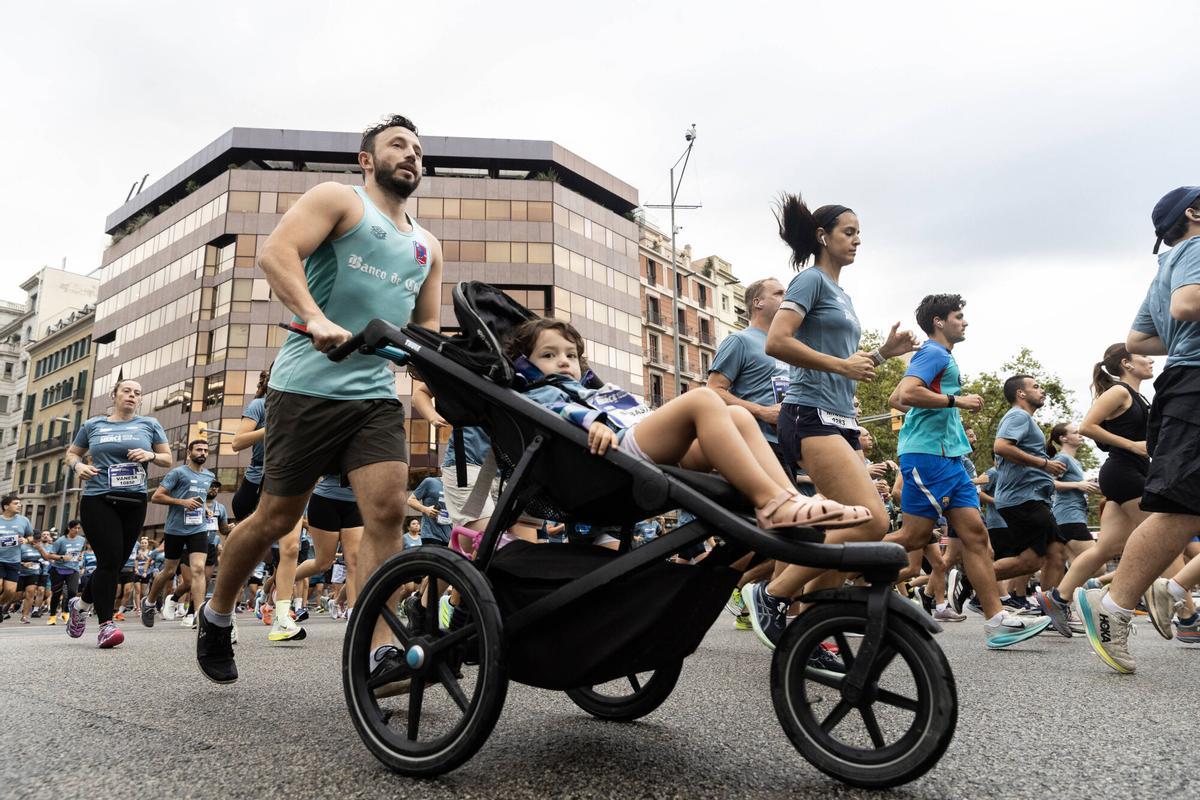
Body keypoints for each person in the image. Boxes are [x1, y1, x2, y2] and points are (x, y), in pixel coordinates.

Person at [197, 114, 442, 684]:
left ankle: (379, 649)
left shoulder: (427, 246)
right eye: (398, 145)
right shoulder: (340, 200)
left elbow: (426, 328)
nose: (411, 154)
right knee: (275, 517)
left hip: (374, 398)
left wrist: (432, 379)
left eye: (417, 149)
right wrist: (314, 317)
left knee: (387, 513)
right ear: (367, 160)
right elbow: (276, 253)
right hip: (307, 388)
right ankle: (217, 614)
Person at [744, 194, 919, 649]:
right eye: (849, 232)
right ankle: (771, 593)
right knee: (870, 521)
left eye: (860, 233)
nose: (857, 240)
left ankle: (812, 634)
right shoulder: (809, 281)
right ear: (823, 236)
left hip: (840, 419)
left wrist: (883, 353)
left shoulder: (842, 294)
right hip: (809, 415)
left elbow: (845, 364)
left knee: (844, 526)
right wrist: (842, 365)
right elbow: (777, 342)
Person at [508, 318, 865, 532]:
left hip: (647, 448)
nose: (564, 362)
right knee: (703, 398)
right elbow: (559, 412)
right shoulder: (540, 390)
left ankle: (788, 497)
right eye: (549, 355)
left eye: (570, 355)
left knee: (739, 416)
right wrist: (593, 424)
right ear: (525, 364)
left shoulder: (589, 387)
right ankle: (770, 502)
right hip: (612, 459)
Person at [1076, 186, 1200, 673]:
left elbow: (1139, 338)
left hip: (1187, 381)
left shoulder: (1167, 263)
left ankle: (1170, 587)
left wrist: (1181, 339)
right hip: (1193, 386)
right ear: (1193, 213)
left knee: (1185, 506)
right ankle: (1114, 605)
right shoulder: (1196, 248)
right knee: (1181, 507)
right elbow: (1186, 306)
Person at [886, 295, 1047, 645]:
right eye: (958, 316)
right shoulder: (933, 353)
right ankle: (840, 567)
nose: (965, 322)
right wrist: (956, 401)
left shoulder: (939, 356)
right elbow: (906, 394)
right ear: (939, 322)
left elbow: (897, 399)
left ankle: (997, 620)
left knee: (976, 537)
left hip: (952, 458)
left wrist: (939, 408)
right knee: (913, 538)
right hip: (928, 456)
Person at [1035, 345, 1152, 635]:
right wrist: (1133, 446)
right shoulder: (1119, 391)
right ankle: (1187, 615)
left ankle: (1058, 598)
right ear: (1126, 363)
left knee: (1106, 548)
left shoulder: (1139, 396)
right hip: (1124, 471)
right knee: (1161, 537)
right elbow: (1087, 426)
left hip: (1130, 472)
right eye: (1144, 356)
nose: (1151, 360)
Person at [66, 379, 172, 647]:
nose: (132, 395)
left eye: (137, 393)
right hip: (98, 498)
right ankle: (106, 625)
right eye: (126, 391)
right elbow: (72, 454)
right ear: (113, 395)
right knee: (110, 560)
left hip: (134, 501)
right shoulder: (93, 425)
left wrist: (150, 455)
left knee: (113, 563)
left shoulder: (149, 424)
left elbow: (167, 459)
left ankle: (80, 605)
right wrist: (79, 467)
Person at [706, 277, 791, 469]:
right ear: (757, 302)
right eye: (779, 293)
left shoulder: (787, 347)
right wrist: (763, 412)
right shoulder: (739, 340)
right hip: (755, 442)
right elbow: (712, 391)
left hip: (789, 445)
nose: (786, 298)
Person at [143, 441, 216, 630]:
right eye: (199, 450)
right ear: (189, 452)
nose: (203, 453)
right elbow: (156, 496)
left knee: (198, 569)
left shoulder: (209, 476)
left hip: (198, 528)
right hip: (175, 529)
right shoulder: (177, 473)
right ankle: (149, 602)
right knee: (169, 571)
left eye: (206, 450)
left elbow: (200, 498)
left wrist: (205, 509)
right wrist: (182, 502)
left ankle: (199, 616)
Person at [294, 476, 363, 617]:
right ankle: (283, 581)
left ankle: (352, 614)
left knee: (353, 562)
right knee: (323, 563)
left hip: (356, 502)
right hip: (326, 499)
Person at [1046, 423, 1100, 562]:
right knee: (1098, 566)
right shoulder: (1062, 459)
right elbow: (1047, 483)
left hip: (1073, 518)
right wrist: (1078, 484)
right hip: (1069, 517)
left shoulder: (1075, 462)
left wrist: (1088, 484)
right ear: (1063, 438)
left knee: (1077, 565)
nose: (1080, 435)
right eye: (1075, 432)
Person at [44, 521, 87, 624]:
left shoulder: (82, 540)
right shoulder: (60, 541)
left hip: (73, 569)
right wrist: (62, 557)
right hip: (58, 570)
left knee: (72, 592)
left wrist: (80, 557)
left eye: (78, 528)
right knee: (57, 593)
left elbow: (81, 551)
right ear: (69, 528)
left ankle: (66, 613)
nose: (77, 530)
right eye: (75, 528)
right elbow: (50, 555)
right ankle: (52, 616)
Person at [0, 494, 33, 619]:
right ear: (6, 506)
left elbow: (31, 536)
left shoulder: (24, 520)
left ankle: (0, 606)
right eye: (15, 503)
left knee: (10, 591)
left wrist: (26, 540)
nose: (19, 505)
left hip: (14, 560)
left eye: (20, 503)